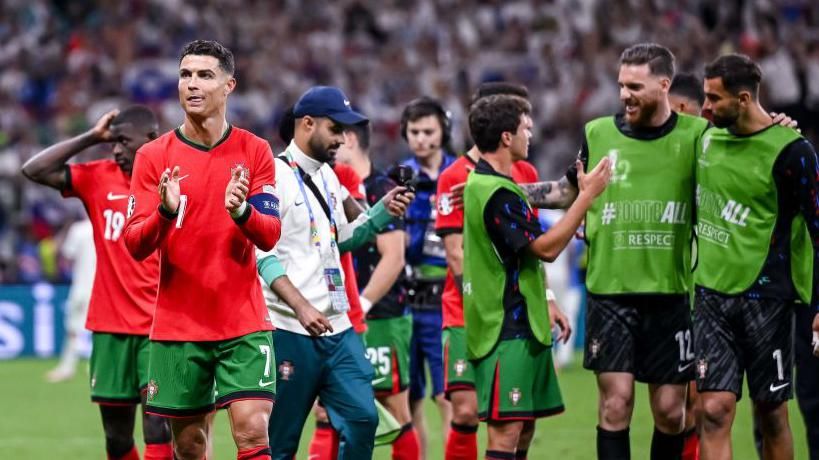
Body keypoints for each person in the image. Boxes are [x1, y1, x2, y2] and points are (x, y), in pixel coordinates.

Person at [505, 44, 710, 459]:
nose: (624, 95)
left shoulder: (697, 136)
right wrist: (499, 189)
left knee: (672, 411)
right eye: (620, 85)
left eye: (635, 86)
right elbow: (567, 190)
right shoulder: (599, 132)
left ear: (664, 85)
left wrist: (777, 125)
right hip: (610, 291)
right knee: (615, 404)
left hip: (670, 293)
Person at [123, 40, 282, 460]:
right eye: (185, 75)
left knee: (252, 429)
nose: (192, 84)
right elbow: (135, 245)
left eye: (204, 75)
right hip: (179, 326)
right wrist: (163, 211)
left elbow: (269, 235)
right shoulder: (152, 157)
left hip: (242, 321)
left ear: (229, 85)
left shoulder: (254, 151)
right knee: (190, 446)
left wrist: (243, 210)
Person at [257, 85, 413, 460]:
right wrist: (301, 308)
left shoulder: (329, 177)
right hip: (290, 329)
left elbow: (341, 238)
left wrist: (381, 212)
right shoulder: (273, 176)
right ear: (307, 124)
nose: (343, 139)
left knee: (363, 418)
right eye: (335, 128)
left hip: (338, 327)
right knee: (282, 440)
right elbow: (263, 255)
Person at [462, 94, 610, 459]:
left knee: (523, 427)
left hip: (522, 320)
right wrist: (586, 197)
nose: (532, 134)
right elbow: (545, 248)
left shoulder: (497, 184)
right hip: (503, 326)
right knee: (506, 432)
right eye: (526, 128)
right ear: (506, 137)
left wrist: (544, 300)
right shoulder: (496, 193)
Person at [21, 106, 172, 460]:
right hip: (109, 328)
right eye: (113, 142)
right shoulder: (97, 177)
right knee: (116, 438)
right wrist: (91, 136)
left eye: (123, 141)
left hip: (159, 327)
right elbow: (34, 170)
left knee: (158, 429)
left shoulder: (172, 183)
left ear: (150, 140)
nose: (115, 149)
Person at [435, 82, 571, 460]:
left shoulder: (520, 170)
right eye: (521, 117)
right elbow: (455, 253)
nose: (529, 124)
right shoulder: (455, 176)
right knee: (467, 413)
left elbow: (524, 246)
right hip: (470, 309)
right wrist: (482, 307)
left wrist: (546, 298)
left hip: (515, 309)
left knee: (520, 420)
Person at [694, 53, 819, 460]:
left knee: (771, 413)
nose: (705, 107)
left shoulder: (793, 152)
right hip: (711, 295)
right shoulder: (705, 139)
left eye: (714, 98)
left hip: (768, 298)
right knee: (712, 410)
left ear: (744, 98)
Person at [338, 121, 421, 459]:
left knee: (394, 405)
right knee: (328, 410)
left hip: (382, 314)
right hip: (340, 317)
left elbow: (394, 256)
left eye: (333, 136)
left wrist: (363, 303)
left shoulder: (382, 187)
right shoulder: (329, 183)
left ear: (349, 139)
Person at [400, 97, 456, 459]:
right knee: (412, 394)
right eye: (414, 132)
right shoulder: (398, 177)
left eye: (428, 131)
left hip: (446, 302)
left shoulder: (460, 174)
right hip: (407, 300)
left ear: (444, 131)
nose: (421, 139)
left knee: (448, 393)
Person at [47, 215, 94, 383]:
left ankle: (67, 367)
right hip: (103, 289)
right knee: (102, 332)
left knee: (74, 330)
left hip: (81, 288)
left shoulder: (79, 230)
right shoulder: (109, 226)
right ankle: (96, 368)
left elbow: (66, 257)